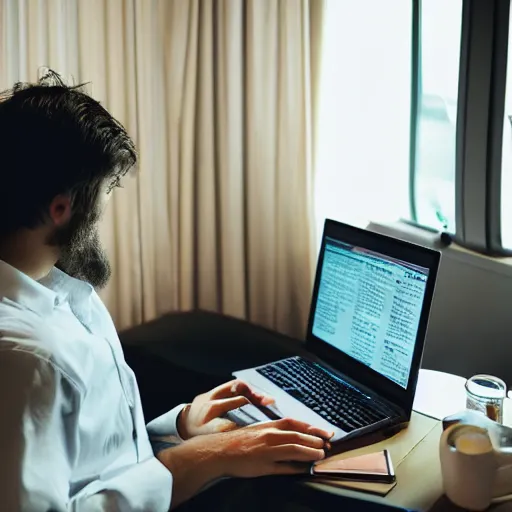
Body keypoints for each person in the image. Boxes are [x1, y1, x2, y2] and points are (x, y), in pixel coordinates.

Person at [0, 71, 335, 511]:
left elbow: (96, 457)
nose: (100, 215)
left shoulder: (56, 285)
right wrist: (212, 456)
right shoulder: (27, 359)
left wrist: (179, 427)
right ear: (61, 209)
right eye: (100, 198)